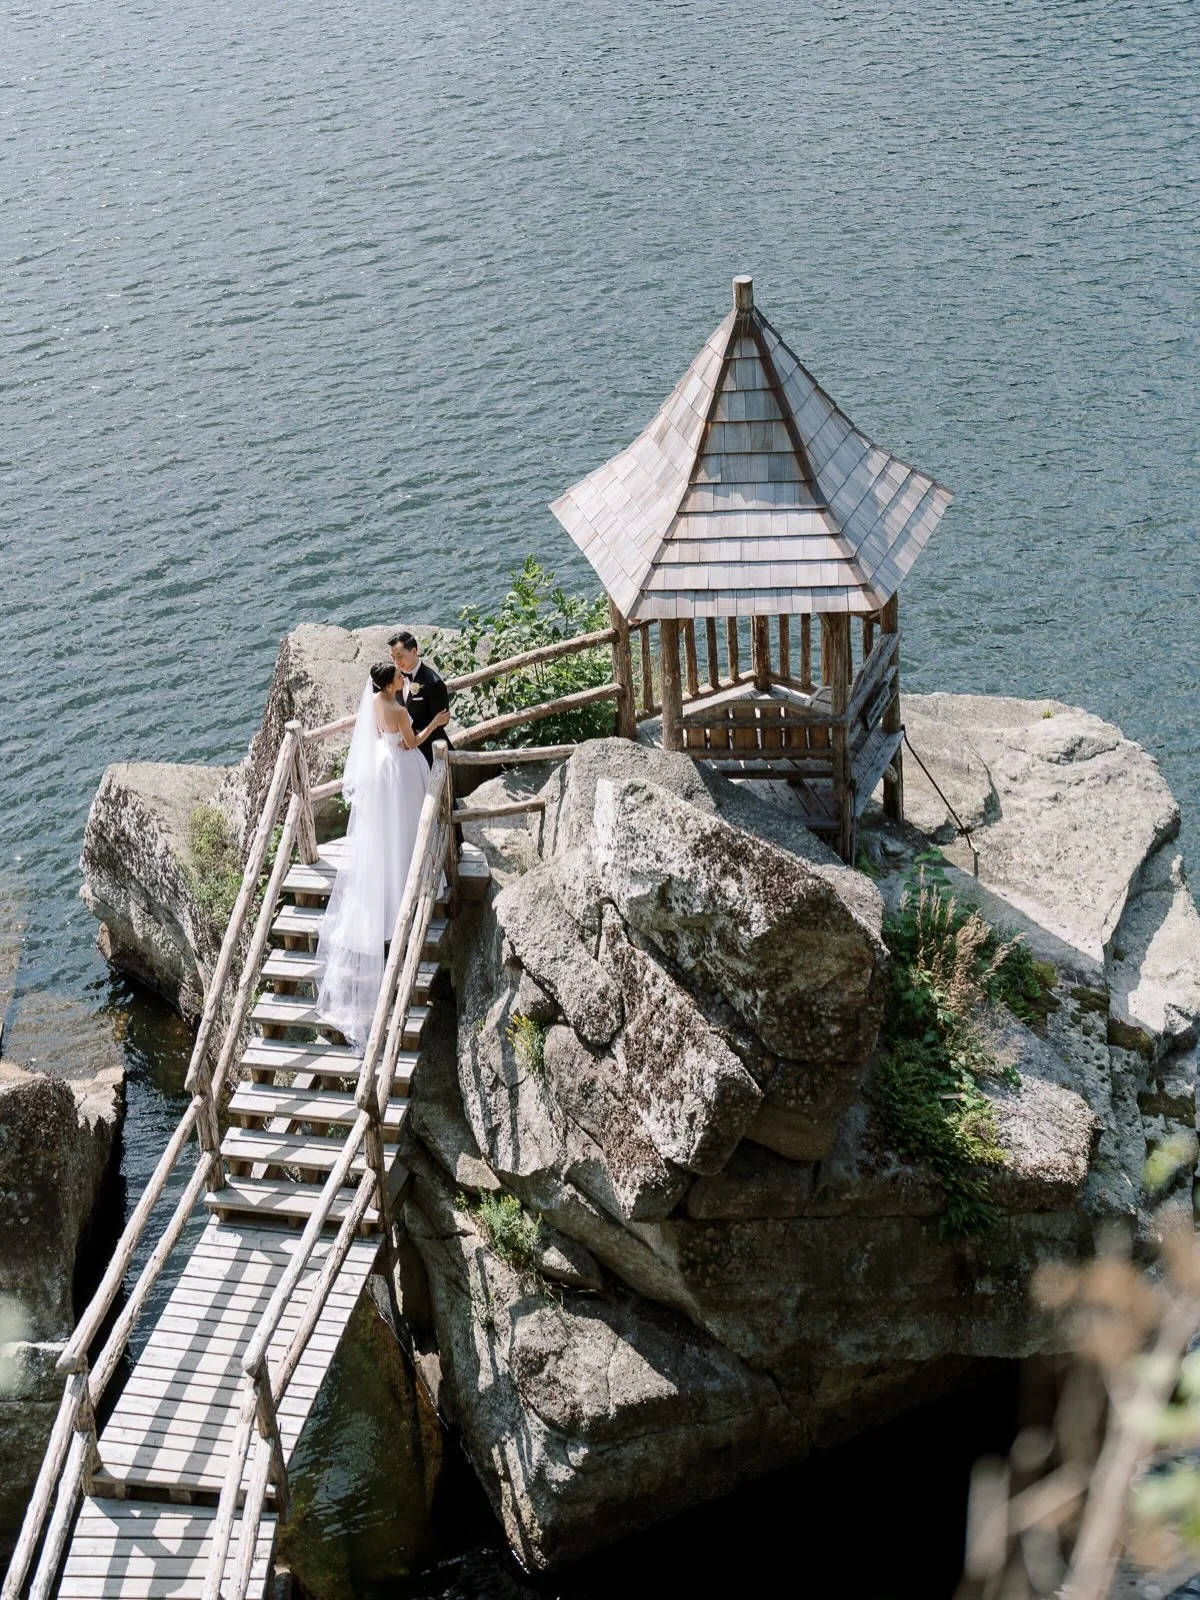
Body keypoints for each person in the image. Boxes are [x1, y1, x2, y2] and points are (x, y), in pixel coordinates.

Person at [314, 661, 450, 1047]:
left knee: (388, 833)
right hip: (402, 767)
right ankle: (411, 882)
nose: (401, 677)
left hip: (383, 770)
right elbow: (412, 741)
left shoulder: (376, 701)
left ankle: (391, 883)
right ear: (389, 683)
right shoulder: (398, 709)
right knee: (410, 826)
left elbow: (381, 732)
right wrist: (435, 723)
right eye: (397, 676)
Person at [388, 630, 452, 769]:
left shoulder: (433, 683)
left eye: (400, 656)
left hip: (430, 751)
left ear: (414, 652)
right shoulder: (394, 678)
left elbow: (442, 720)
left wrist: (412, 739)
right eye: (393, 657)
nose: (396, 662)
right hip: (403, 751)